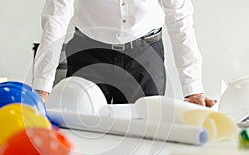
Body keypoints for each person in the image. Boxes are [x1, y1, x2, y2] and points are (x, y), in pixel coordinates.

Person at [33, 0, 216, 107]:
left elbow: (180, 19)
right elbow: (56, 17)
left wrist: (193, 90)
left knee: (145, 136)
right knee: (83, 133)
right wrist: (42, 88)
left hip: (145, 55)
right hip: (89, 53)